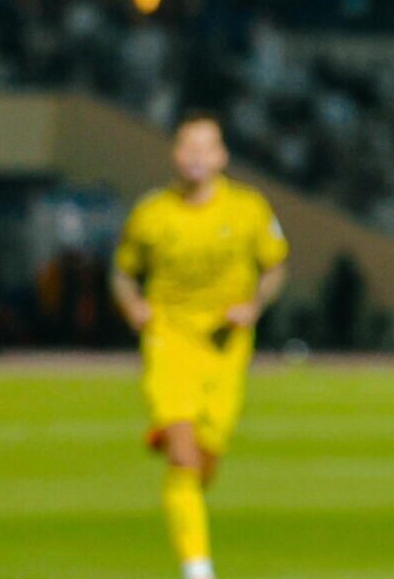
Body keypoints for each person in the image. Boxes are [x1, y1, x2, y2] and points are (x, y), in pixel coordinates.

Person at [111, 113, 289, 579]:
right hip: (169, 339)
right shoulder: (151, 213)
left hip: (226, 345)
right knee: (184, 457)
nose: (195, 157)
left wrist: (254, 305)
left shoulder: (248, 209)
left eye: (205, 147)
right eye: (187, 147)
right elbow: (123, 273)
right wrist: (133, 305)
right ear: (175, 154)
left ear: (221, 156)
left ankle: (174, 439)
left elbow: (274, 267)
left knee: (202, 464)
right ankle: (197, 568)